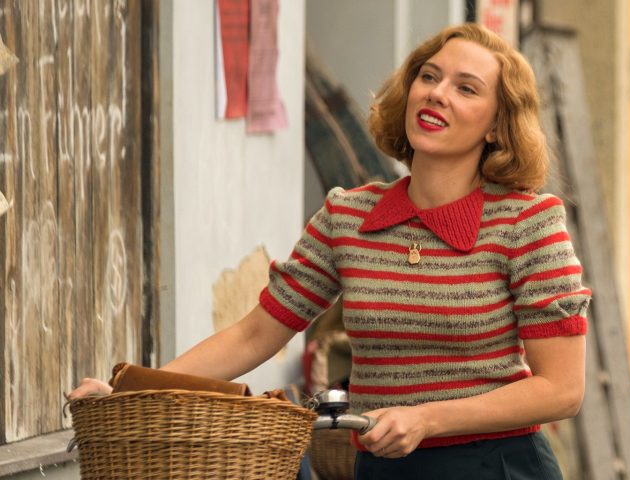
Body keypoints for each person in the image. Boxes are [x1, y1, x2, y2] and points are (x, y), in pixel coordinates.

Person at [70, 23, 589, 479]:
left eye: (466, 88)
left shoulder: (528, 223)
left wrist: (428, 418)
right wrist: (132, 393)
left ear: (497, 125)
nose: (437, 94)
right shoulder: (348, 216)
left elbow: (561, 389)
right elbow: (254, 334)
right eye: (428, 77)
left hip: (497, 467)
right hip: (382, 469)